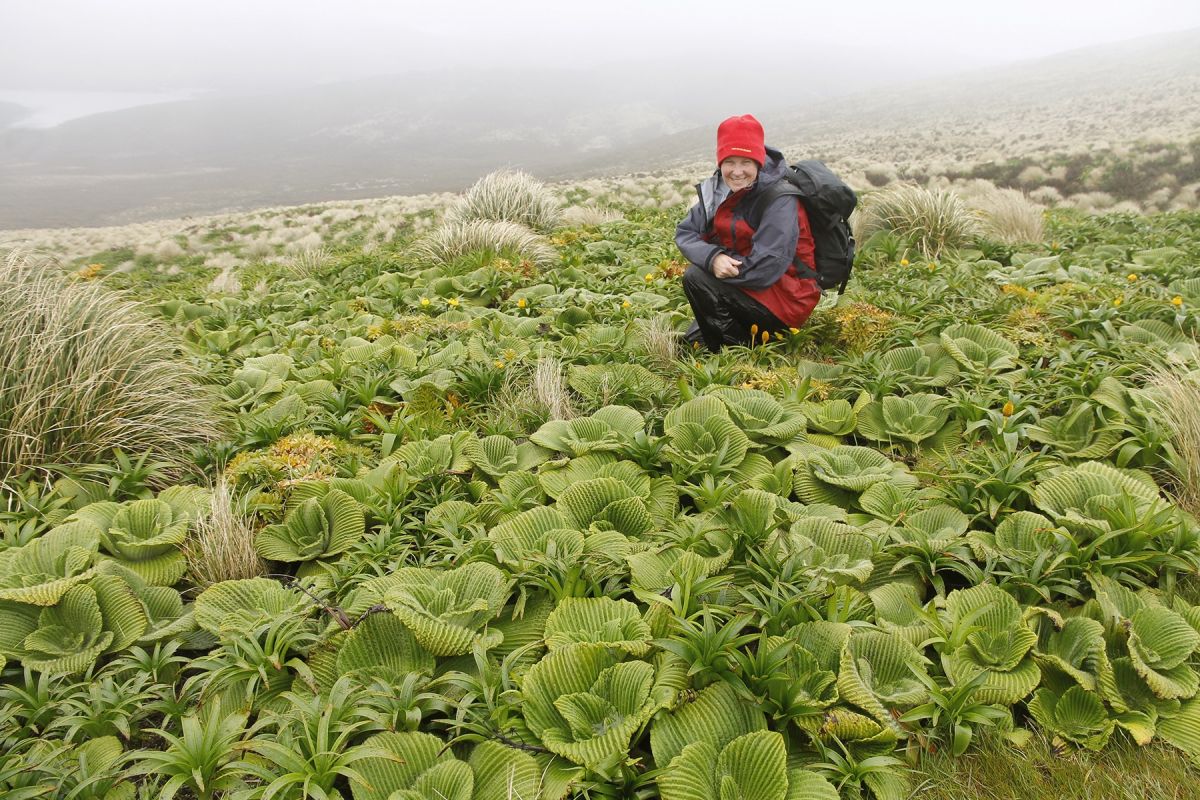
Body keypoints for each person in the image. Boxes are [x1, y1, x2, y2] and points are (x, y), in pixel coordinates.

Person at [675, 114, 820, 352]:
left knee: (697, 278)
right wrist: (713, 258)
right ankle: (734, 343)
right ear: (720, 162)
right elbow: (685, 232)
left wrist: (715, 266)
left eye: (746, 162)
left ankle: (737, 358)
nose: (737, 172)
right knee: (692, 344)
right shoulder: (718, 191)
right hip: (748, 288)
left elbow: (766, 268)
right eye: (730, 162)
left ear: (759, 163)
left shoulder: (779, 199)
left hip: (786, 299)